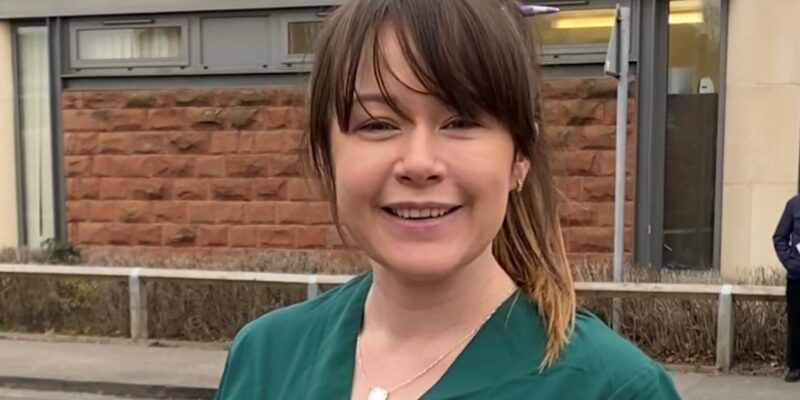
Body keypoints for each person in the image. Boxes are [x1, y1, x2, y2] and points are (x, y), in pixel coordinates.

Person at [214, 1, 680, 398]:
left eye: (461, 122)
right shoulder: (265, 359)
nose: (419, 163)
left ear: (520, 157)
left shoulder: (613, 388)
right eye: (377, 123)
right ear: (326, 155)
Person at [773, 194, 800, 382]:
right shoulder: (793, 205)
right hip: (797, 277)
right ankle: (794, 365)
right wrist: (792, 263)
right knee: (797, 322)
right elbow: (779, 237)